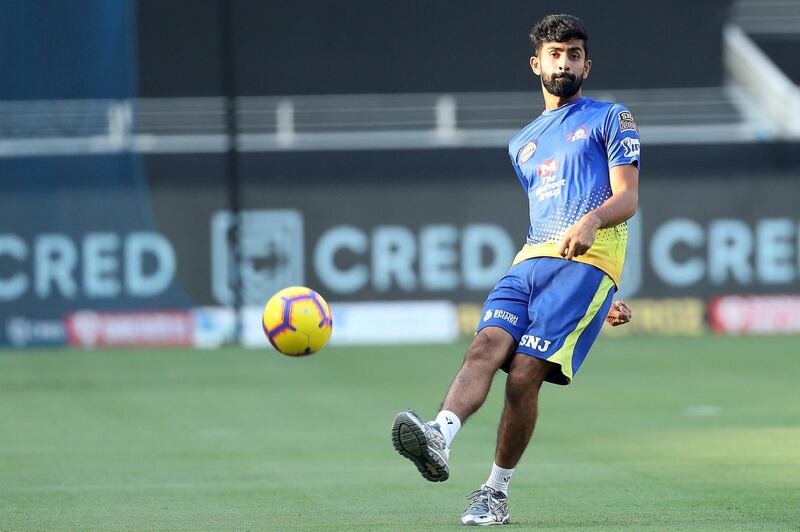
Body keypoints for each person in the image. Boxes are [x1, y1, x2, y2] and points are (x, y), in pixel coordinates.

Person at [391, 13, 640, 526]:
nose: (564, 62)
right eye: (555, 54)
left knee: (524, 377)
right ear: (537, 64)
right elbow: (548, 211)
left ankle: (494, 493)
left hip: (584, 266)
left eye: (574, 54)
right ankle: (440, 435)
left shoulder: (611, 117)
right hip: (528, 263)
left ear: (586, 66)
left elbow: (628, 198)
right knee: (484, 346)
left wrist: (593, 228)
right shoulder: (521, 143)